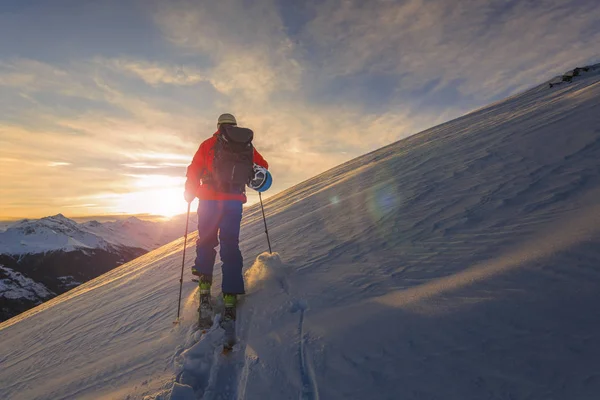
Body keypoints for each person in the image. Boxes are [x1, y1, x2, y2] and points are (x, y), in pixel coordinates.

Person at [184, 113, 269, 315]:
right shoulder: (246, 146)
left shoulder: (208, 144)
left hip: (209, 201)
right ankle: (231, 292)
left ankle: (204, 283)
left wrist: (190, 192)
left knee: (206, 241)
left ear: (218, 126)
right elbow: (263, 166)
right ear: (235, 126)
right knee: (230, 244)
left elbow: (193, 169)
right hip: (233, 202)